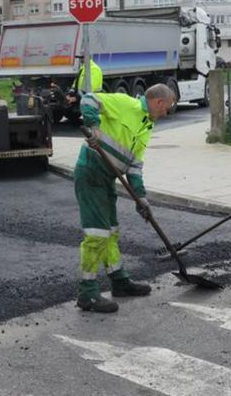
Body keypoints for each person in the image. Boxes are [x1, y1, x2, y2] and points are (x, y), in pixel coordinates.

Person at [74, 84, 176, 313]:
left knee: (111, 231)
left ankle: (119, 280)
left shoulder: (147, 126)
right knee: (97, 234)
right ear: (158, 102)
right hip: (91, 172)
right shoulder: (124, 103)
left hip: (107, 178)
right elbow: (89, 100)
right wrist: (93, 125)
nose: (166, 113)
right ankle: (87, 293)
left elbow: (134, 168)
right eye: (167, 108)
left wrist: (141, 198)